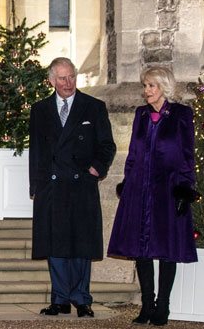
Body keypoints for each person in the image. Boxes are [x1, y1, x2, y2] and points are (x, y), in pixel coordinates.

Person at [107, 66, 198, 326]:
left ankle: (163, 307)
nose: (146, 90)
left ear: (163, 86)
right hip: (140, 188)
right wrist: (127, 182)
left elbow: (186, 155)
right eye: (145, 85)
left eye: (151, 85)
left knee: (167, 250)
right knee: (141, 250)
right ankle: (147, 305)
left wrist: (185, 188)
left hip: (168, 190)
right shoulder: (141, 115)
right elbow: (133, 154)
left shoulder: (181, 114)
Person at [29, 57, 116, 318]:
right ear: (52, 81)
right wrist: (36, 185)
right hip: (52, 188)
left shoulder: (93, 107)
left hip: (81, 186)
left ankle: (81, 299)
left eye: (72, 77)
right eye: (63, 78)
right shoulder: (40, 109)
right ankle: (59, 299)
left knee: (81, 244)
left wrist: (97, 168)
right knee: (55, 245)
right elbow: (37, 151)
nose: (68, 83)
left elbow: (107, 145)